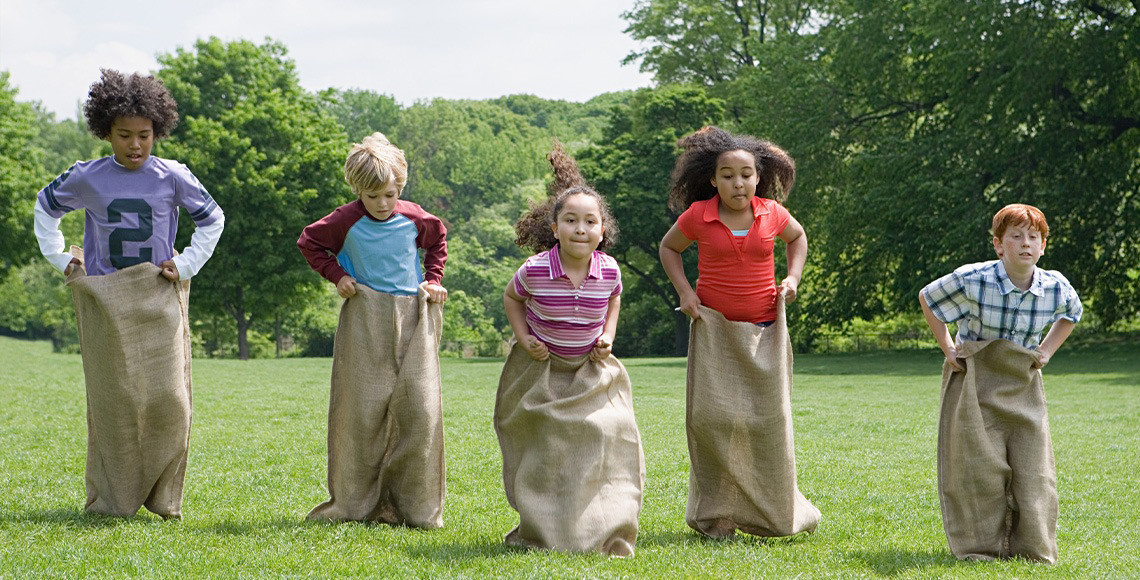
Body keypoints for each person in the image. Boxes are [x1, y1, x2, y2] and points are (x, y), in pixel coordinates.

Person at [33, 68, 225, 518]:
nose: (135, 145)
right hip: (106, 297)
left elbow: (213, 219)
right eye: (124, 135)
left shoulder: (173, 176)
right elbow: (45, 207)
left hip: (158, 293)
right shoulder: (87, 177)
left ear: (158, 130)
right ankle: (112, 498)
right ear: (106, 132)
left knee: (169, 400)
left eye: (144, 135)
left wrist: (187, 263)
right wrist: (62, 258)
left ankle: (162, 496)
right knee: (113, 401)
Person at [659, 125, 820, 538]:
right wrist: (685, 291)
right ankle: (718, 516)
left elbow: (798, 238)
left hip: (766, 330)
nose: (738, 182)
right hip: (713, 331)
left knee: (769, 422)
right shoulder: (698, 216)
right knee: (709, 419)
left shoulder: (772, 213)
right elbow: (669, 248)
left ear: (757, 177)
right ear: (713, 180)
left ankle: (774, 513)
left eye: (746, 174)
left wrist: (793, 278)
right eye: (728, 175)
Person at [494, 140, 644, 556]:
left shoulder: (609, 269)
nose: (581, 229)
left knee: (607, 432)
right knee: (548, 445)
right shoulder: (536, 269)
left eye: (590, 222)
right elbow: (512, 297)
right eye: (571, 221)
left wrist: (608, 334)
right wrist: (524, 338)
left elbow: (614, 298)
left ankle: (602, 522)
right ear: (555, 227)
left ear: (602, 229)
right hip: (543, 371)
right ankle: (544, 527)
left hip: (591, 370)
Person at [298, 132, 449, 528]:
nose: (382, 204)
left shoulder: (415, 217)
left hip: (413, 317)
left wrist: (433, 279)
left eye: (390, 194)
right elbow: (309, 242)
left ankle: (414, 505)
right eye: (372, 196)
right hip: (366, 318)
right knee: (361, 412)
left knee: (419, 409)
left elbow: (438, 242)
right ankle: (354, 502)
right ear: (357, 190)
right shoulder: (345, 220)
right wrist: (337, 276)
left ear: (400, 187)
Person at [920, 203, 1081, 563]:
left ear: (1043, 246)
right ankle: (980, 548)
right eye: (1016, 236)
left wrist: (1047, 351)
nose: (1026, 243)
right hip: (975, 380)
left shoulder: (1055, 287)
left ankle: (1032, 549)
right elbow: (928, 298)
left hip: (1022, 384)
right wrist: (948, 347)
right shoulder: (972, 279)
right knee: (980, 468)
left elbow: (1073, 313)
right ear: (998, 244)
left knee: (1033, 469)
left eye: (1034, 237)